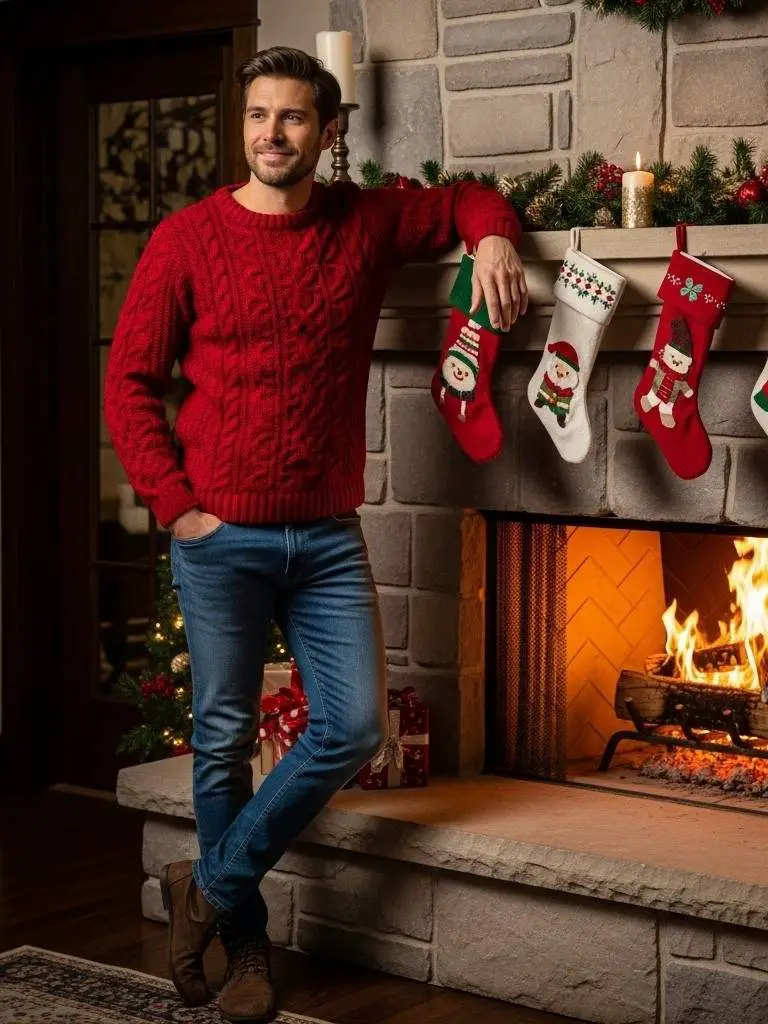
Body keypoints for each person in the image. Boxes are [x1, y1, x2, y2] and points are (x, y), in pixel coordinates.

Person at [104, 45, 527, 1024]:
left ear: (328, 132)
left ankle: (208, 882)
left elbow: (466, 200)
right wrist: (178, 507)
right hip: (220, 538)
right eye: (259, 115)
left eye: (293, 117)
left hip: (327, 535)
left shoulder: (363, 219)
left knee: (354, 726)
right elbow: (128, 384)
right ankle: (248, 947)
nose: (272, 134)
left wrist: (495, 241)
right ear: (243, 124)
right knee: (222, 741)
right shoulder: (187, 239)